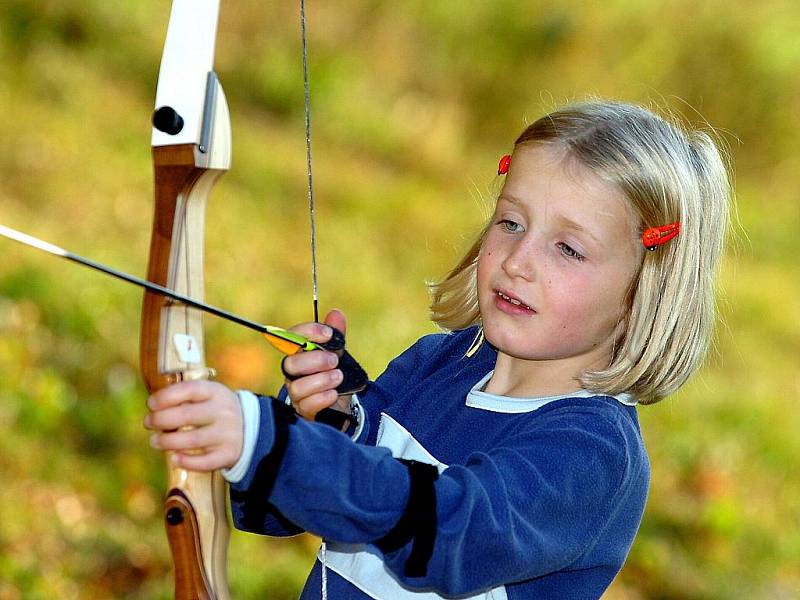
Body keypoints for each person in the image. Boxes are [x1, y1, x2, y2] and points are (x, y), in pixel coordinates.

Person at [144, 99, 730, 599]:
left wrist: (268, 440)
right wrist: (327, 419)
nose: (519, 262)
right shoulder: (437, 364)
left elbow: (446, 531)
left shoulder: (590, 454)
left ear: (640, 292)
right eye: (511, 223)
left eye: (568, 250)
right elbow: (281, 510)